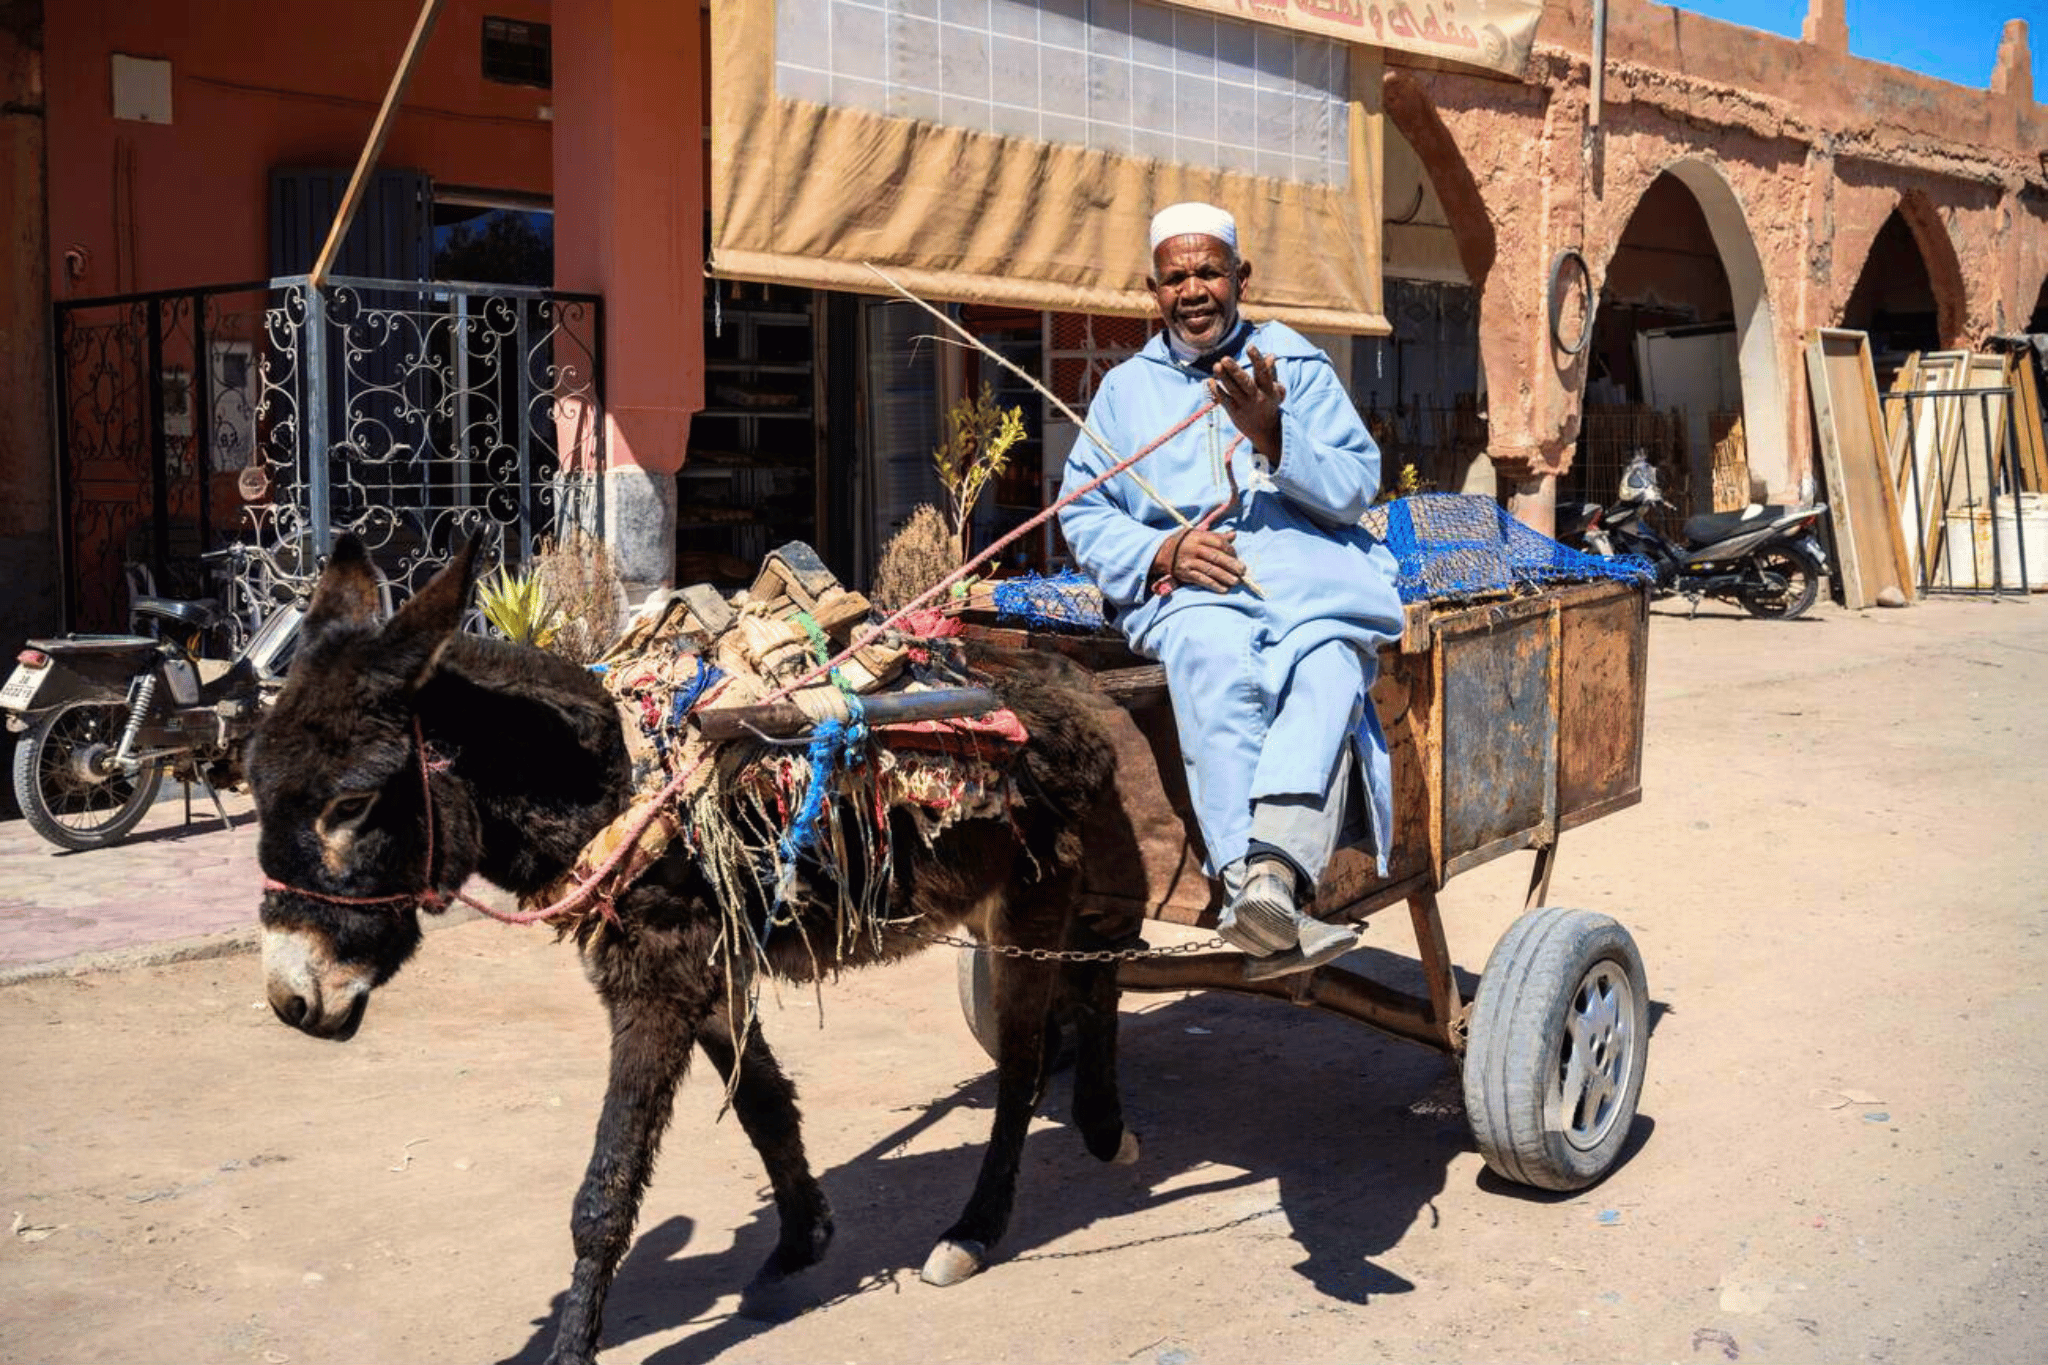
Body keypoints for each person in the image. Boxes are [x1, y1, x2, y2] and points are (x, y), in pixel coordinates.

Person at [1057, 202, 1404, 978]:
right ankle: (1248, 883)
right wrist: (1164, 550)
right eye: (1175, 277)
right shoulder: (1124, 393)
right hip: (1192, 593)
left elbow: (1356, 485)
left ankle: (1274, 876)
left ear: (1241, 277)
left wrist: (1274, 433)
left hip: (1307, 583)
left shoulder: (1295, 366)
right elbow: (1082, 509)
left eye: (1209, 272)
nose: (1193, 290)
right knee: (1209, 648)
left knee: (1332, 662)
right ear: (1154, 290)